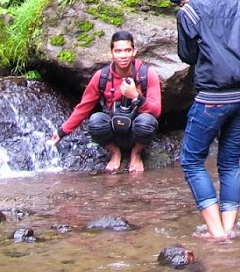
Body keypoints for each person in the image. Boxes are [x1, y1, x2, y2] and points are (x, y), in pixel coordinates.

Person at [172, 0, 240, 243]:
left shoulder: (189, 13)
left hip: (213, 96)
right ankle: (229, 229)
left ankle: (217, 233)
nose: (181, 4)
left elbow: (187, 55)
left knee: (191, 161)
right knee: (230, 163)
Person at [49, 30, 162, 173]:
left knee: (147, 121)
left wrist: (136, 97)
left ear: (134, 52)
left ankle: (136, 153)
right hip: (113, 130)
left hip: (137, 130)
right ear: (112, 53)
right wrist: (61, 132)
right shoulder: (101, 76)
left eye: (127, 50)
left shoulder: (147, 74)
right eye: (118, 51)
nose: (123, 55)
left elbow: (156, 110)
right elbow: (84, 107)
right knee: (95, 120)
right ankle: (114, 152)